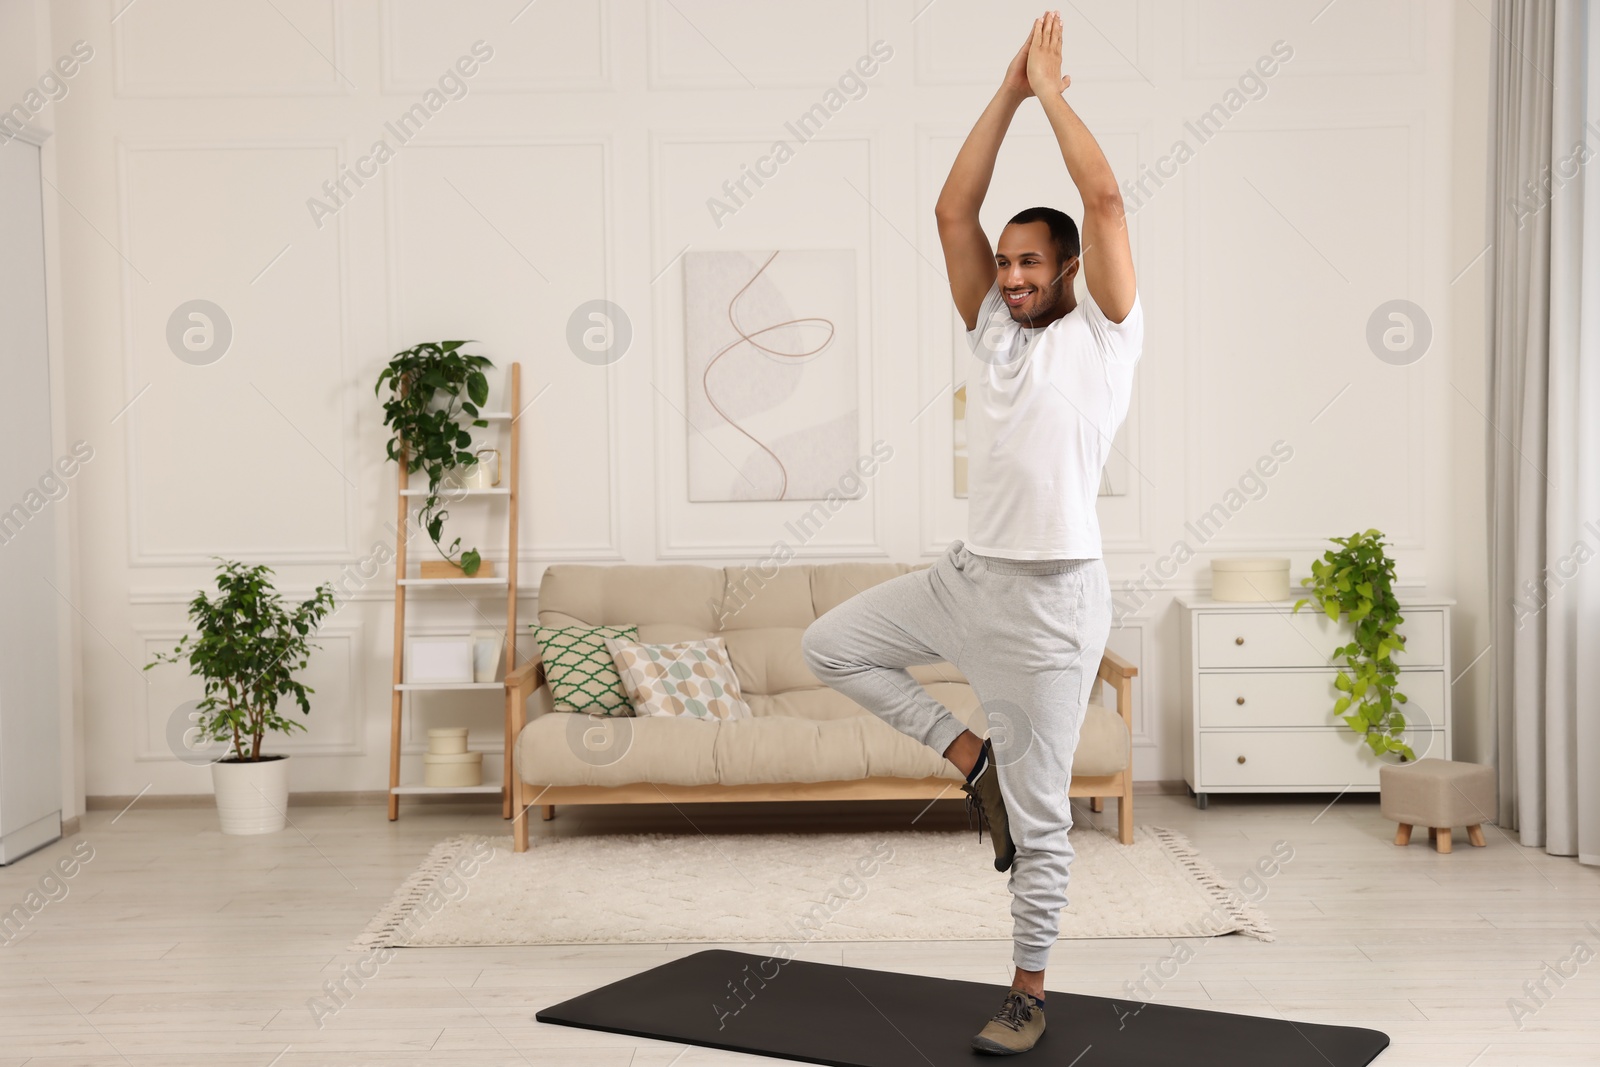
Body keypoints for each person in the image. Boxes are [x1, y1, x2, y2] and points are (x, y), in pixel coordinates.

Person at [800, 9, 1142, 1055]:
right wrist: (1004, 90)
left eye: (1030, 262)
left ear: (1070, 268)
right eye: (1005, 262)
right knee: (831, 643)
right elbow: (951, 207)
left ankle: (1027, 990)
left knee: (1043, 821)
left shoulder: (1107, 333)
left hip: (1050, 601)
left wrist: (1052, 98)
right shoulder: (991, 328)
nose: (1010, 276)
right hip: (966, 577)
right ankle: (969, 756)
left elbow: (1105, 196)